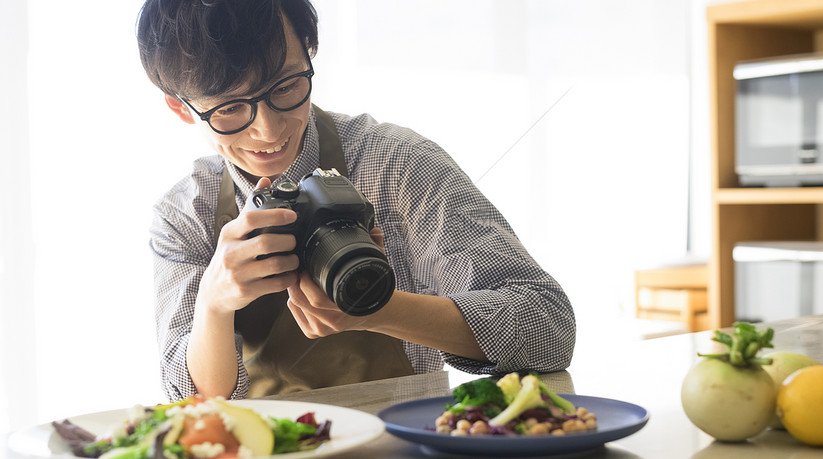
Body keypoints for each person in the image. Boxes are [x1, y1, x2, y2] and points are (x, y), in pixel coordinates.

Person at [137, 0, 576, 402]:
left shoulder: (395, 163)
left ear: (311, 51)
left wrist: (379, 309)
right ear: (181, 108)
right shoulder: (185, 215)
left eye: (286, 86)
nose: (268, 131)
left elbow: (548, 327)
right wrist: (213, 303)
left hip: (403, 438)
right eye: (230, 110)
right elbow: (192, 404)